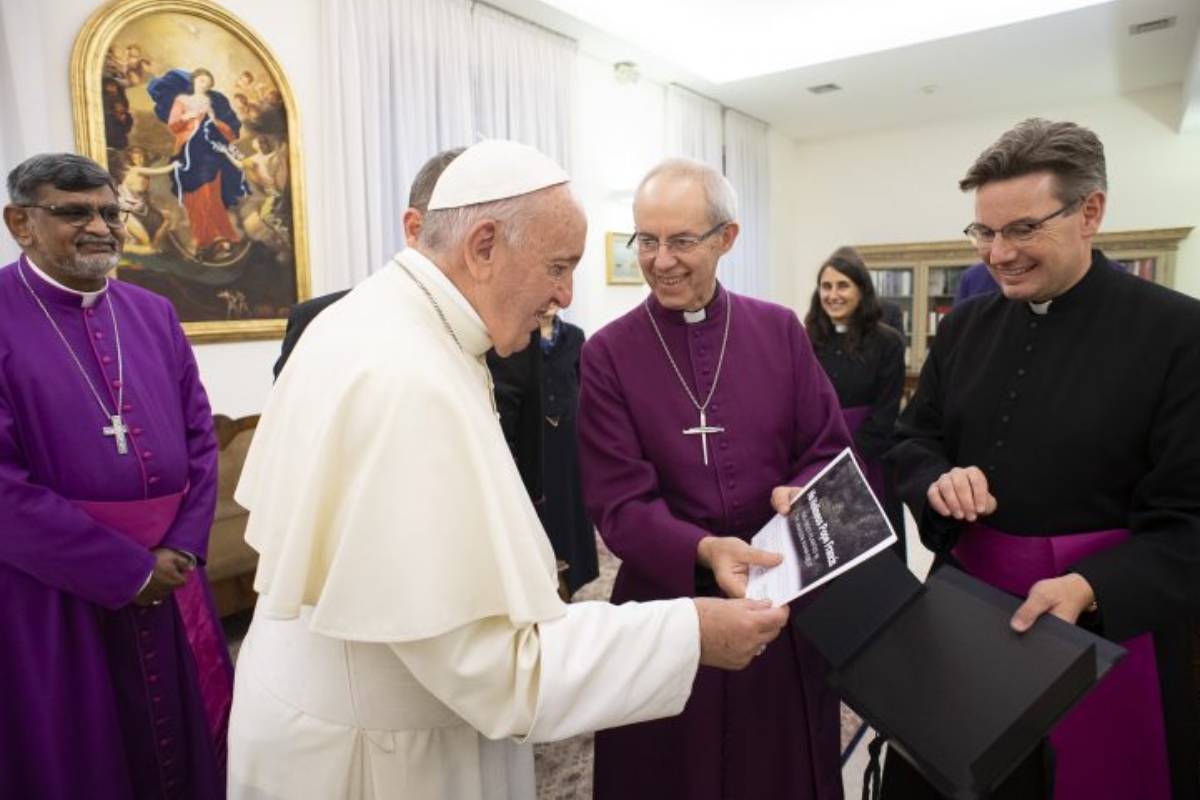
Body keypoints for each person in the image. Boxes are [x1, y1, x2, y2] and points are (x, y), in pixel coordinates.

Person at [226, 140, 789, 800]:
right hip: (376, 756)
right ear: (484, 245)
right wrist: (691, 633)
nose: (565, 294)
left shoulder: (371, 320)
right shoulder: (410, 381)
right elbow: (500, 670)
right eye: (558, 266)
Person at [883, 118, 1200, 799]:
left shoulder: (1180, 334)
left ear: (1091, 212)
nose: (998, 255)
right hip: (965, 611)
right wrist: (938, 480)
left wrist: (1092, 588)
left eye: (1023, 229)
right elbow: (912, 440)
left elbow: (1191, 519)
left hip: (1102, 628)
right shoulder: (965, 324)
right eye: (984, 232)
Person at [577, 157, 852, 800]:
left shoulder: (778, 329)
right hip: (664, 607)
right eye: (646, 240)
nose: (661, 260)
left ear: (726, 239)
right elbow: (619, 501)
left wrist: (801, 492)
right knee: (671, 771)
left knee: (776, 767)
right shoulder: (609, 353)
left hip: (775, 595)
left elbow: (826, 447)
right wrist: (703, 549)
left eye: (681, 240)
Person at [0, 153, 230, 798]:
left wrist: (181, 547)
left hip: (170, 577)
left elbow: (199, 438)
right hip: (49, 591)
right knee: (81, 750)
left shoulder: (153, 312)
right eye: (73, 213)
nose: (100, 226)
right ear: (21, 222)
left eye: (110, 211)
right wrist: (125, 570)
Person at [271, 147, 546, 503]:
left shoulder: (515, 330)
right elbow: (289, 460)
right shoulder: (320, 321)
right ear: (415, 229)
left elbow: (526, 465)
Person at [805, 246, 907, 559]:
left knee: (873, 553)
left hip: (868, 456)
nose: (833, 295)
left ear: (861, 290)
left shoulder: (886, 341)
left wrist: (848, 463)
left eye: (842, 285)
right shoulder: (806, 338)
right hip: (817, 456)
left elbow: (886, 412)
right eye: (826, 286)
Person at [148, 67, 248, 260]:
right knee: (196, 194)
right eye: (202, 80)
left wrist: (214, 123)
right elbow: (174, 124)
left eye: (208, 83)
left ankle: (222, 235)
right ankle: (205, 239)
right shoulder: (182, 101)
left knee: (212, 192)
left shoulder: (210, 103)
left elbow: (220, 129)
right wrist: (189, 116)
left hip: (209, 150)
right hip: (189, 149)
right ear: (194, 81)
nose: (205, 85)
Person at [536, 302, 599, 594]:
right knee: (542, 505)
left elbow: (585, 386)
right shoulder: (518, 337)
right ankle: (543, 577)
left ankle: (573, 576)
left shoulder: (575, 337)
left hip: (570, 438)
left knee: (571, 504)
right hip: (535, 439)